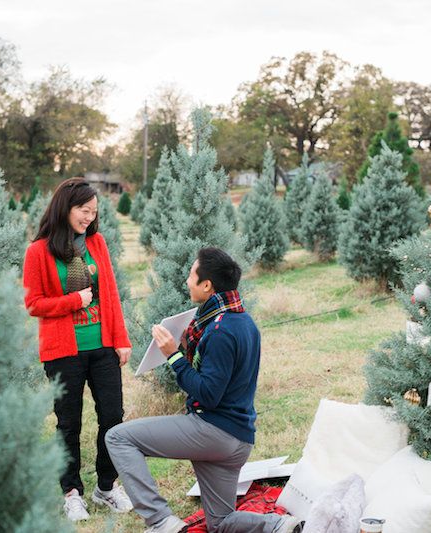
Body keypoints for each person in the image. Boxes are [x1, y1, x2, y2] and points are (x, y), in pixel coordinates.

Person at [106, 247, 304, 533]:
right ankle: (279, 526)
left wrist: (174, 356)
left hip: (214, 432)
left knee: (118, 438)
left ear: (207, 285)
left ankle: (160, 521)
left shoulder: (220, 331)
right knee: (220, 523)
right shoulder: (243, 321)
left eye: (191, 275)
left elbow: (208, 394)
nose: (187, 281)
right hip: (240, 438)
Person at [23, 178, 133, 522]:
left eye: (93, 212)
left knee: (113, 417)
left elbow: (110, 294)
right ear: (65, 208)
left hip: (102, 346)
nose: (89, 217)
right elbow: (33, 303)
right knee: (68, 424)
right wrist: (74, 301)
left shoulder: (97, 243)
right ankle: (71, 492)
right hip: (62, 350)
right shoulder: (38, 251)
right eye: (84, 211)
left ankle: (106, 486)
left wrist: (121, 338)